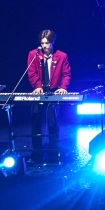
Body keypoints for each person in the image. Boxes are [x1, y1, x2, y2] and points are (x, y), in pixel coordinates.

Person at [26, 29, 70, 160]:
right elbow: (31, 72)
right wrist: (37, 86)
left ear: (52, 42)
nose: (44, 46)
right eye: (42, 43)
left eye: (47, 43)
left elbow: (66, 74)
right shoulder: (33, 54)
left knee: (53, 123)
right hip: (38, 91)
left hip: (54, 91)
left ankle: (53, 152)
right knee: (35, 123)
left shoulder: (62, 56)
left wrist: (63, 87)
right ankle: (37, 153)